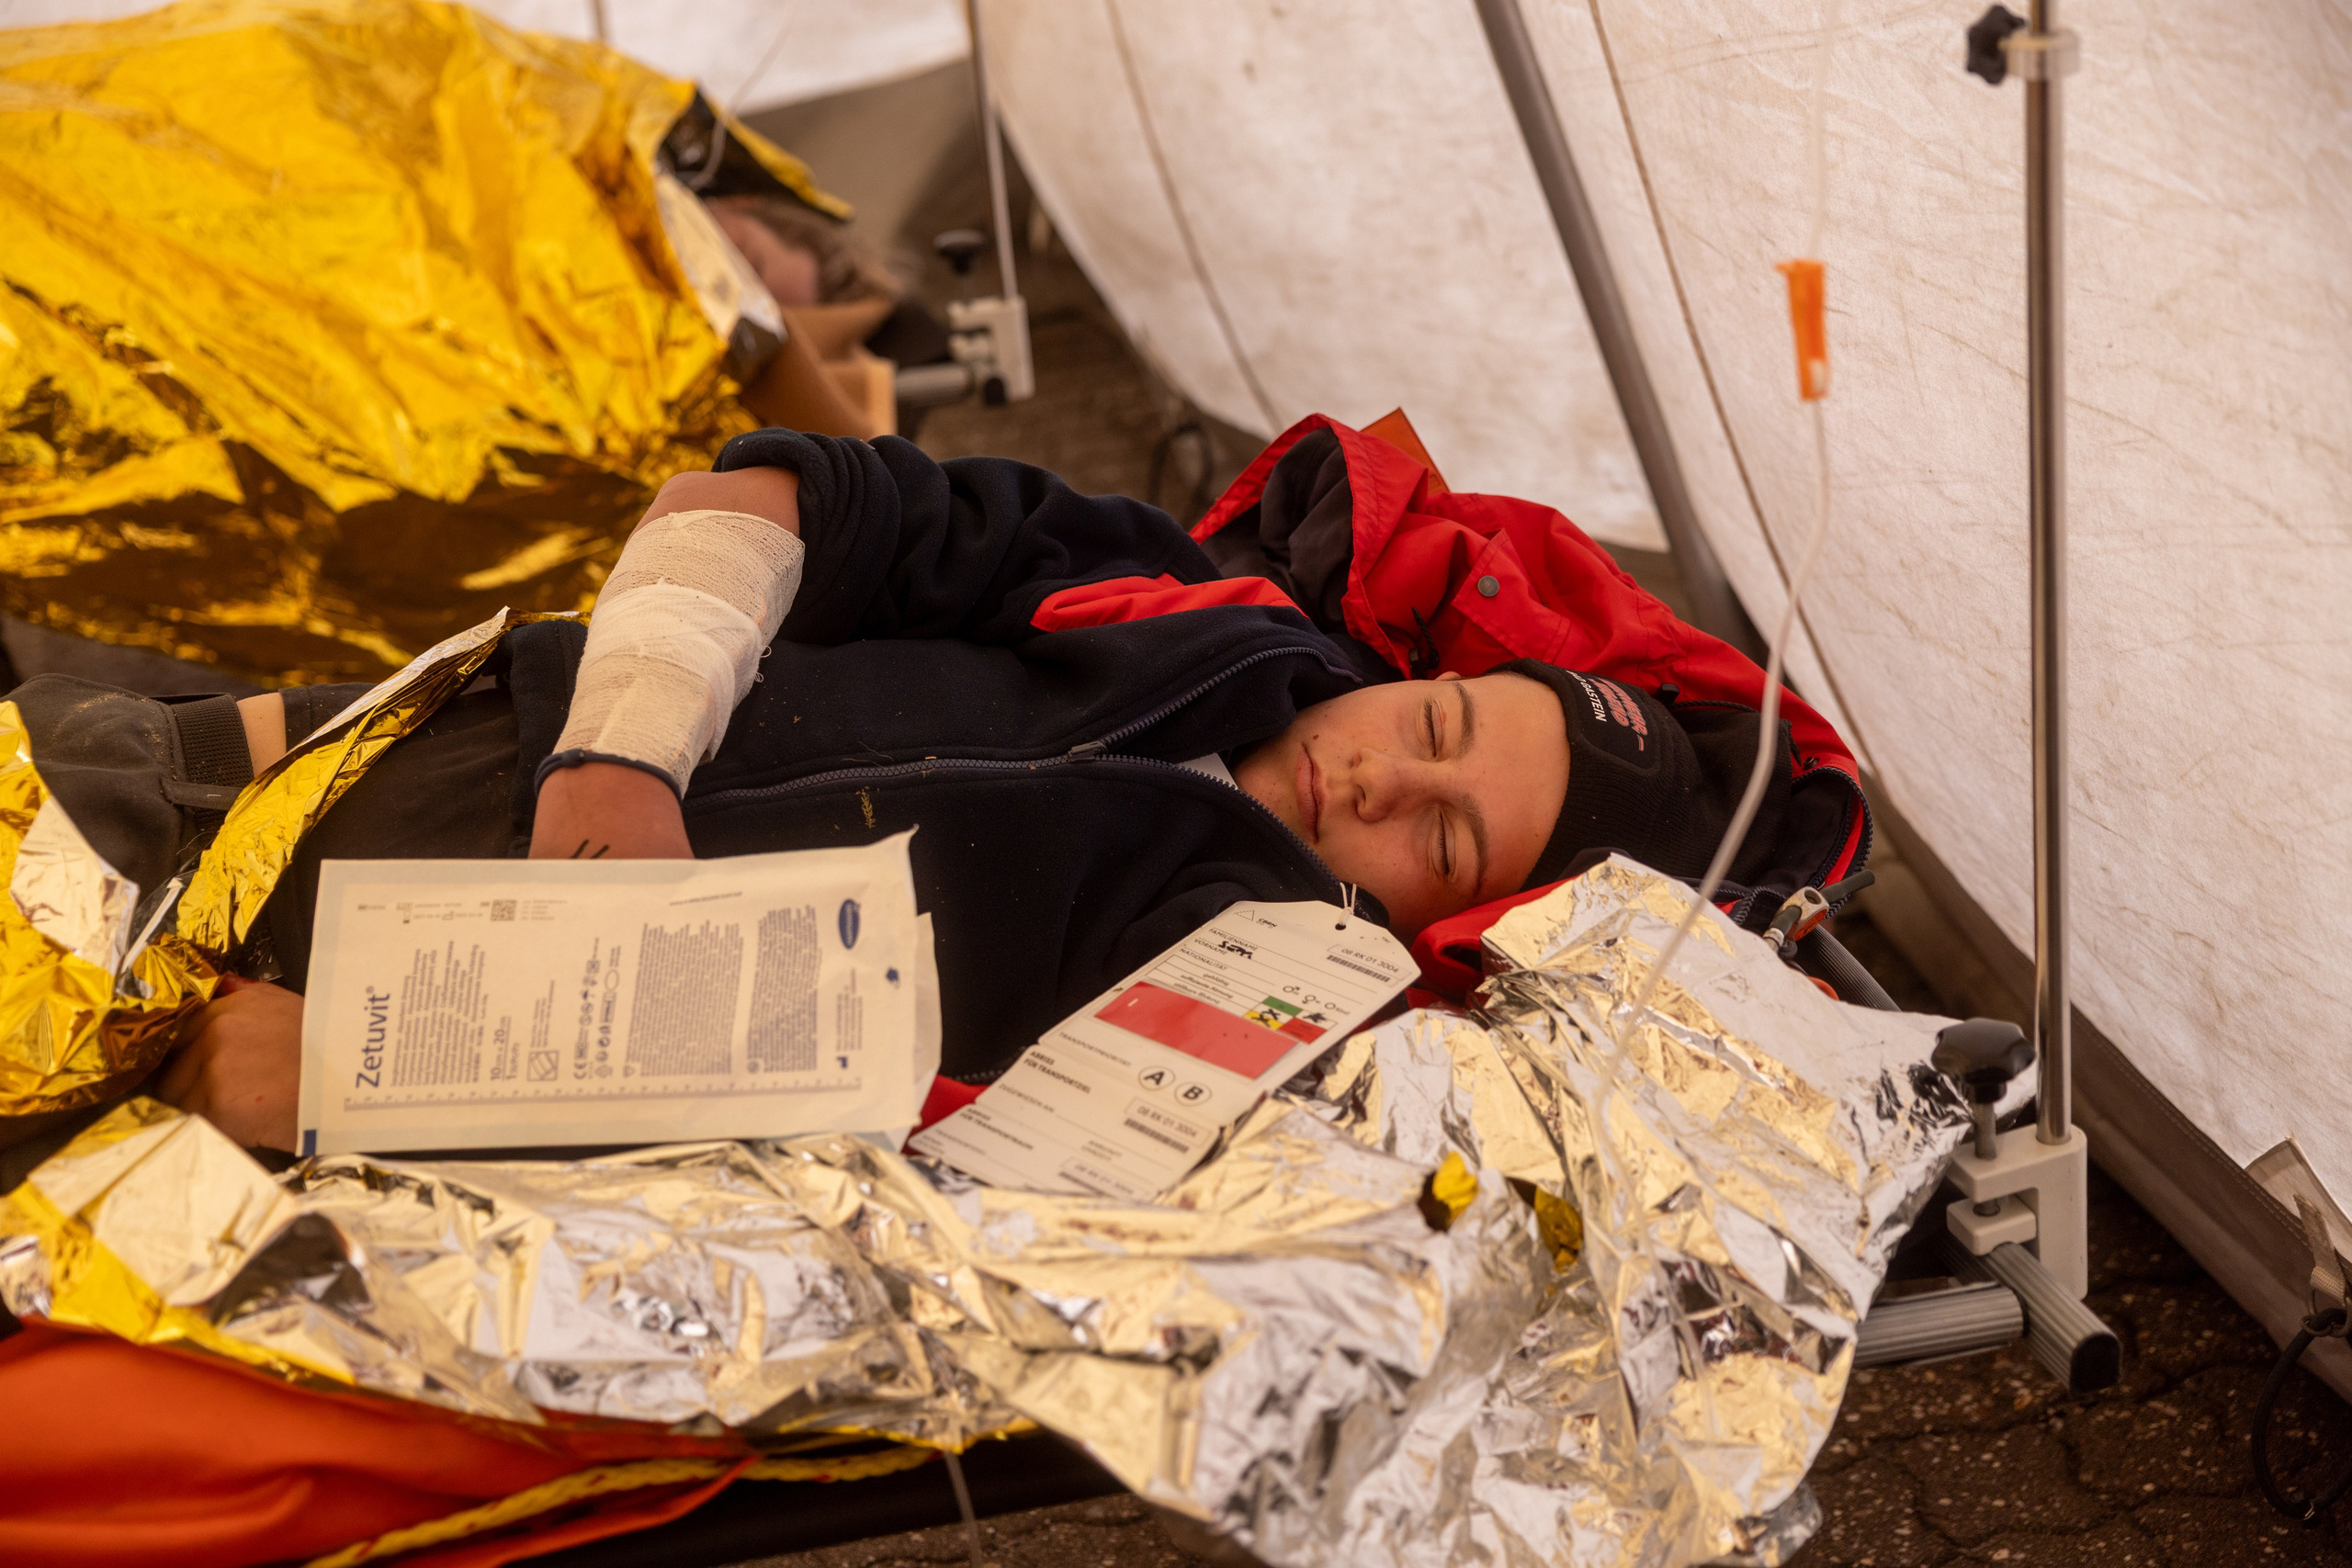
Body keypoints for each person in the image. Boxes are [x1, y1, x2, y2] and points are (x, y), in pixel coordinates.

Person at [13, 425, 1859, 1155]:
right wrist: (624, 743)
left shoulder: (1268, 977)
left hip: (310, 1017)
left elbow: (925, 1142)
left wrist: (342, 1065)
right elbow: (780, 492)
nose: (1373, 766)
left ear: (1443, 914)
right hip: (249, 762)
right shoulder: (1200, 606)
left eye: (1434, 831)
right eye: (1434, 716)